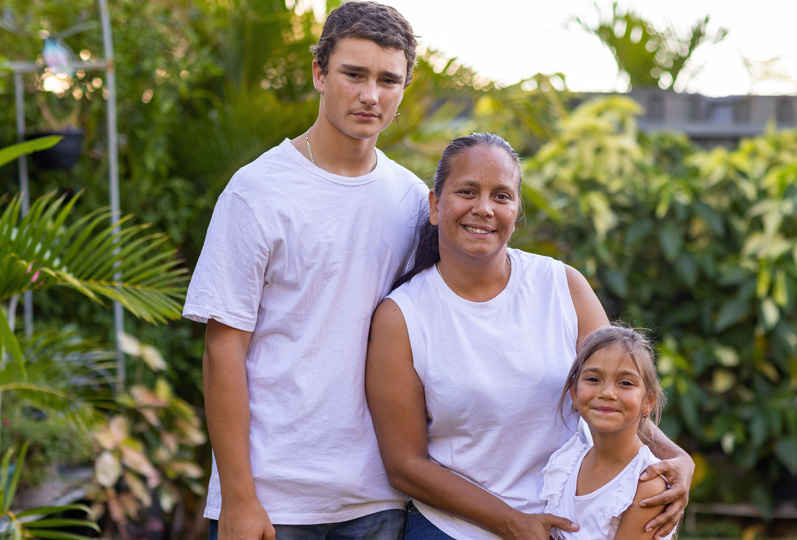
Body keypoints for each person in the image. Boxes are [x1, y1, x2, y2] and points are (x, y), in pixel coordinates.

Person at [365, 133, 694, 540]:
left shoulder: (563, 286)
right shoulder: (402, 317)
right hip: (454, 531)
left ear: (516, 210)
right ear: (435, 205)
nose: (484, 208)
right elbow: (404, 464)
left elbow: (613, 395)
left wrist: (677, 458)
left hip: (569, 524)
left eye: (501, 196)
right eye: (467, 191)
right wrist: (511, 522)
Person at [182, 3, 426, 539]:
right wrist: (241, 499)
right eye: (354, 74)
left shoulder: (411, 200)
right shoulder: (257, 191)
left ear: (404, 88)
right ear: (319, 73)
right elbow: (224, 350)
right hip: (273, 497)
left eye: (389, 80)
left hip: (378, 494)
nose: (371, 95)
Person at [539, 325, 678, 540]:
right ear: (574, 394)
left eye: (625, 383)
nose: (607, 393)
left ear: (648, 401)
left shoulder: (647, 484)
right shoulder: (566, 462)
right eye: (593, 379)